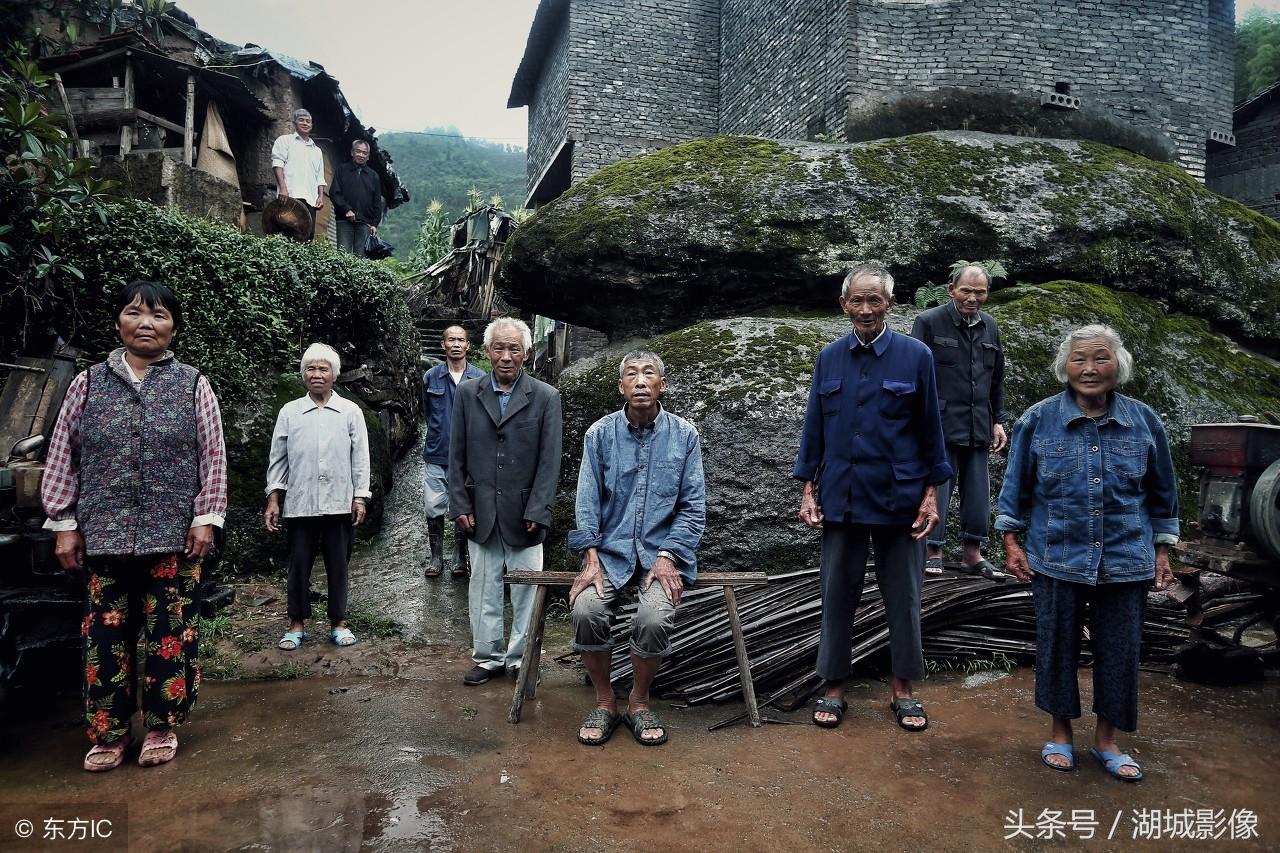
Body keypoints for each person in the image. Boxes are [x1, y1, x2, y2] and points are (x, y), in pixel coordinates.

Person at [42, 280, 227, 771]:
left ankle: (162, 726)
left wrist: (206, 518)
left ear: (174, 327)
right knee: (104, 635)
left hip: (174, 538)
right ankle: (110, 731)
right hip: (104, 537)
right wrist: (63, 522)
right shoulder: (88, 383)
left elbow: (213, 457)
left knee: (170, 633)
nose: (147, 323)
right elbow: (64, 455)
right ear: (118, 322)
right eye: (135, 313)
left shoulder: (193, 384)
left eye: (160, 315)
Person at [995, 325, 1178, 781]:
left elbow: (1163, 494)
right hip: (1056, 555)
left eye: (1100, 358)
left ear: (1119, 365)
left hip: (1127, 556)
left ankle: (1106, 740)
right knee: (1057, 646)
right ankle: (1060, 734)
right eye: (1079, 360)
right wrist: (1011, 541)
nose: (1090, 369)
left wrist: (1162, 549)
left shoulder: (1144, 421)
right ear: (1065, 367)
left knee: (1120, 650)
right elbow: (1016, 488)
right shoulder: (1038, 420)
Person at [794, 262, 952, 732]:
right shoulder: (830, 357)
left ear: (890, 304)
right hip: (840, 495)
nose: (865, 309)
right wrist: (807, 487)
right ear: (844, 306)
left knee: (903, 595)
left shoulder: (915, 355)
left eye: (874, 300)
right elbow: (814, 427)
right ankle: (834, 687)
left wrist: (930, 493)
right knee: (837, 593)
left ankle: (903, 690)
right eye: (857, 301)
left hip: (899, 497)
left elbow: (931, 429)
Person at [567, 350, 706, 746]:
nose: (641, 381)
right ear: (621, 387)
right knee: (586, 609)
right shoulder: (599, 434)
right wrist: (590, 557)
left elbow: (694, 506)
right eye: (632, 375)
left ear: (662, 385)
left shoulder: (685, 435)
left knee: (653, 619)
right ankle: (605, 700)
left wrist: (667, 556)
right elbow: (587, 502)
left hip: (662, 555)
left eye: (649, 374)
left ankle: (639, 702)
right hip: (608, 555)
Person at [449, 317, 562, 686]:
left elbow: (550, 460)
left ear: (526, 353)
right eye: (499, 348)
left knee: (527, 589)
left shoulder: (546, 397)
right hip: (480, 511)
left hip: (526, 513)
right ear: (486, 352)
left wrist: (540, 508)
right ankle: (488, 657)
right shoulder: (468, 393)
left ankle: (521, 658)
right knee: (483, 587)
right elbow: (456, 456)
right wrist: (461, 505)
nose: (506, 356)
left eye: (514, 348)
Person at [265, 343, 371, 651]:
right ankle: (296, 624)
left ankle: (338, 623)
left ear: (334, 375)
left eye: (323, 369)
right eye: (310, 368)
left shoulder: (351, 411)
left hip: (340, 502)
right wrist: (274, 497)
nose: (317, 374)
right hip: (300, 503)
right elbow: (278, 459)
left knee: (338, 565)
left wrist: (360, 497)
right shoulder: (290, 412)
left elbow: (360, 458)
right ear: (303, 374)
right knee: (298, 565)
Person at [910, 264, 1009, 580]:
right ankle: (932, 551)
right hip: (939, 424)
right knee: (937, 489)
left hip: (978, 423)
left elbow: (997, 379)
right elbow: (915, 376)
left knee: (978, 494)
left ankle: (972, 554)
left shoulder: (990, 326)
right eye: (966, 290)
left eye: (979, 292)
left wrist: (998, 421)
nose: (972, 298)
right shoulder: (928, 322)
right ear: (951, 289)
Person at [422, 326, 483, 577]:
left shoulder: (479, 378)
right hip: (437, 452)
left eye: (461, 340)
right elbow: (427, 412)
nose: (456, 344)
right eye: (451, 340)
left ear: (468, 345)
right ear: (443, 344)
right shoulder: (430, 377)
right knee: (433, 505)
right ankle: (437, 558)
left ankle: (459, 557)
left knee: (463, 505)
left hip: (469, 457)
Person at [270, 108, 326, 240]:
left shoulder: (317, 151)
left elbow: (320, 177)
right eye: (301, 120)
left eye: (308, 121)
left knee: (306, 237)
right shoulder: (284, 141)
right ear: (294, 123)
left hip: (311, 200)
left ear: (312, 125)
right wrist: (283, 188)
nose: (305, 123)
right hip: (290, 196)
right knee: (286, 234)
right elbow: (277, 163)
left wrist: (320, 197)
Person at [329, 139, 384, 256]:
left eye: (365, 153)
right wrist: (346, 209)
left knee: (361, 259)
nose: (361, 155)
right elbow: (334, 192)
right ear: (352, 152)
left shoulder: (373, 176)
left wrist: (374, 224)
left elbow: (377, 203)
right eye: (358, 151)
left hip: (365, 223)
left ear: (368, 157)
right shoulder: (342, 170)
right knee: (343, 257)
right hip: (344, 220)